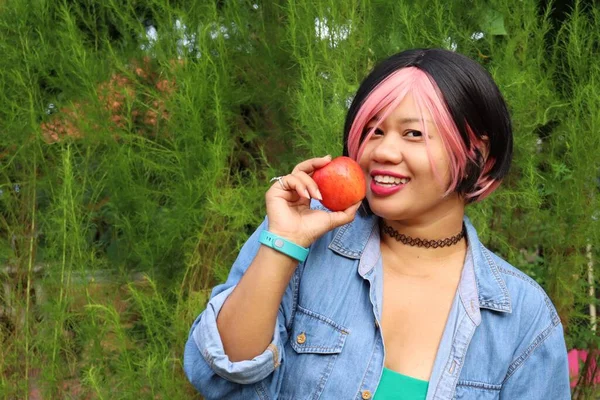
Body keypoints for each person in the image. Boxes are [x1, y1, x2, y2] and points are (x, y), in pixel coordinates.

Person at [183, 48, 571, 399]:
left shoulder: (524, 317)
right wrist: (283, 242)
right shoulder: (302, 239)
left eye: (413, 133)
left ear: (477, 156)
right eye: (373, 130)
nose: (383, 151)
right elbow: (220, 373)